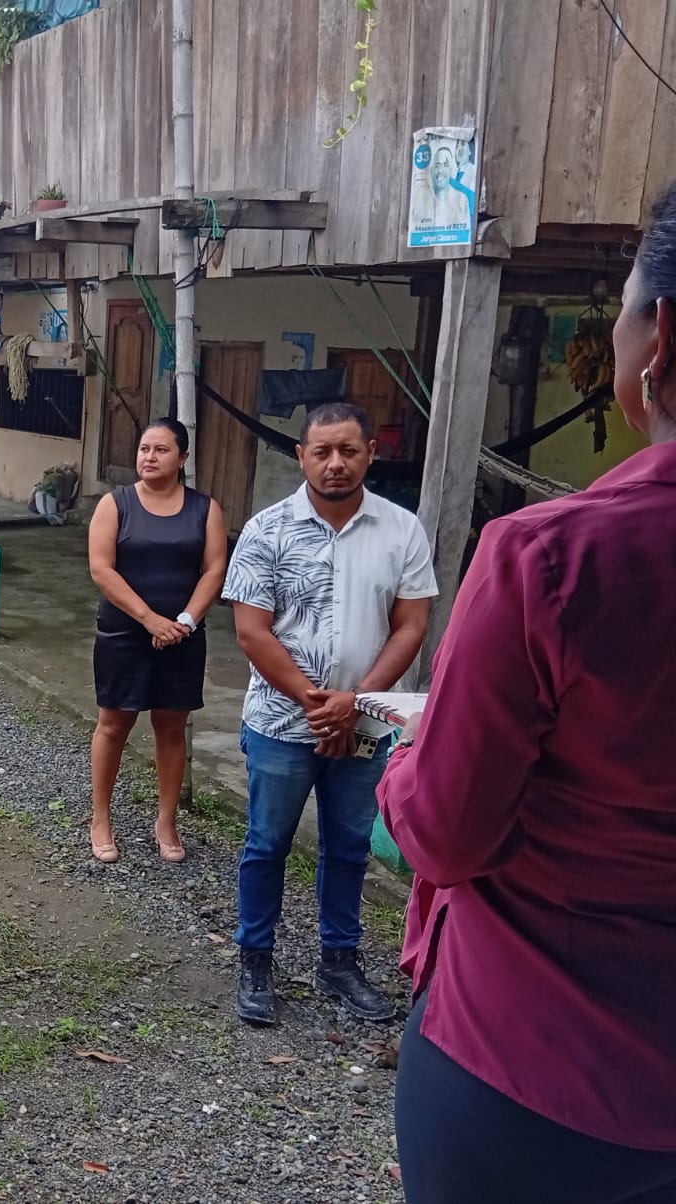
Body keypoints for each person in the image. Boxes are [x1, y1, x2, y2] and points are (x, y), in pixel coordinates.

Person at [377, 185, 676, 1202]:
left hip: (535, 1069)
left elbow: (446, 831)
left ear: (661, 336)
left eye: (622, 309)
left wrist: (412, 752)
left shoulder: (554, 559)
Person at [221, 401, 435, 1027]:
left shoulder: (402, 530)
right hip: (281, 723)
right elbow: (251, 631)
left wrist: (356, 701)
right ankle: (255, 961)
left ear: (371, 452)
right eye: (322, 451)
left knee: (348, 845)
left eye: (348, 450)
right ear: (301, 457)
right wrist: (316, 701)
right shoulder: (266, 531)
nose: (335, 463)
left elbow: (411, 624)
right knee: (267, 843)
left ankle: (339, 962)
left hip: (365, 725)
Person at [86, 418, 227, 863]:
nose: (149, 457)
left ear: (182, 458)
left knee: (170, 728)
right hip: (124, 633)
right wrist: (150, 620)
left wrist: (184, 621)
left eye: (161, 450)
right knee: (114, 724)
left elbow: (214, 570)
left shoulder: (205, 509)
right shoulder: (116, 504)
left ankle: (166, 821)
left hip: (182, 637)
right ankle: (100, 818)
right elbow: (101, 569)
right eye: (145, 448)